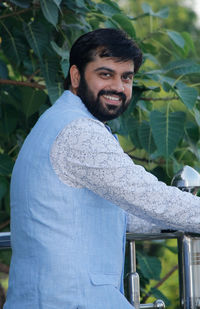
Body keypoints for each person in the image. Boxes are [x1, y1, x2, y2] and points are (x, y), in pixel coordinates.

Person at [4, 28, 200, 309]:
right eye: (105, 74)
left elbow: (122, 214)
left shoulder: (57, 121)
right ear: (75, 76)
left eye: (127, 77)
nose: (118, 88)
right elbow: (149, 196)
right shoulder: (78, 131)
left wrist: (178, 217)